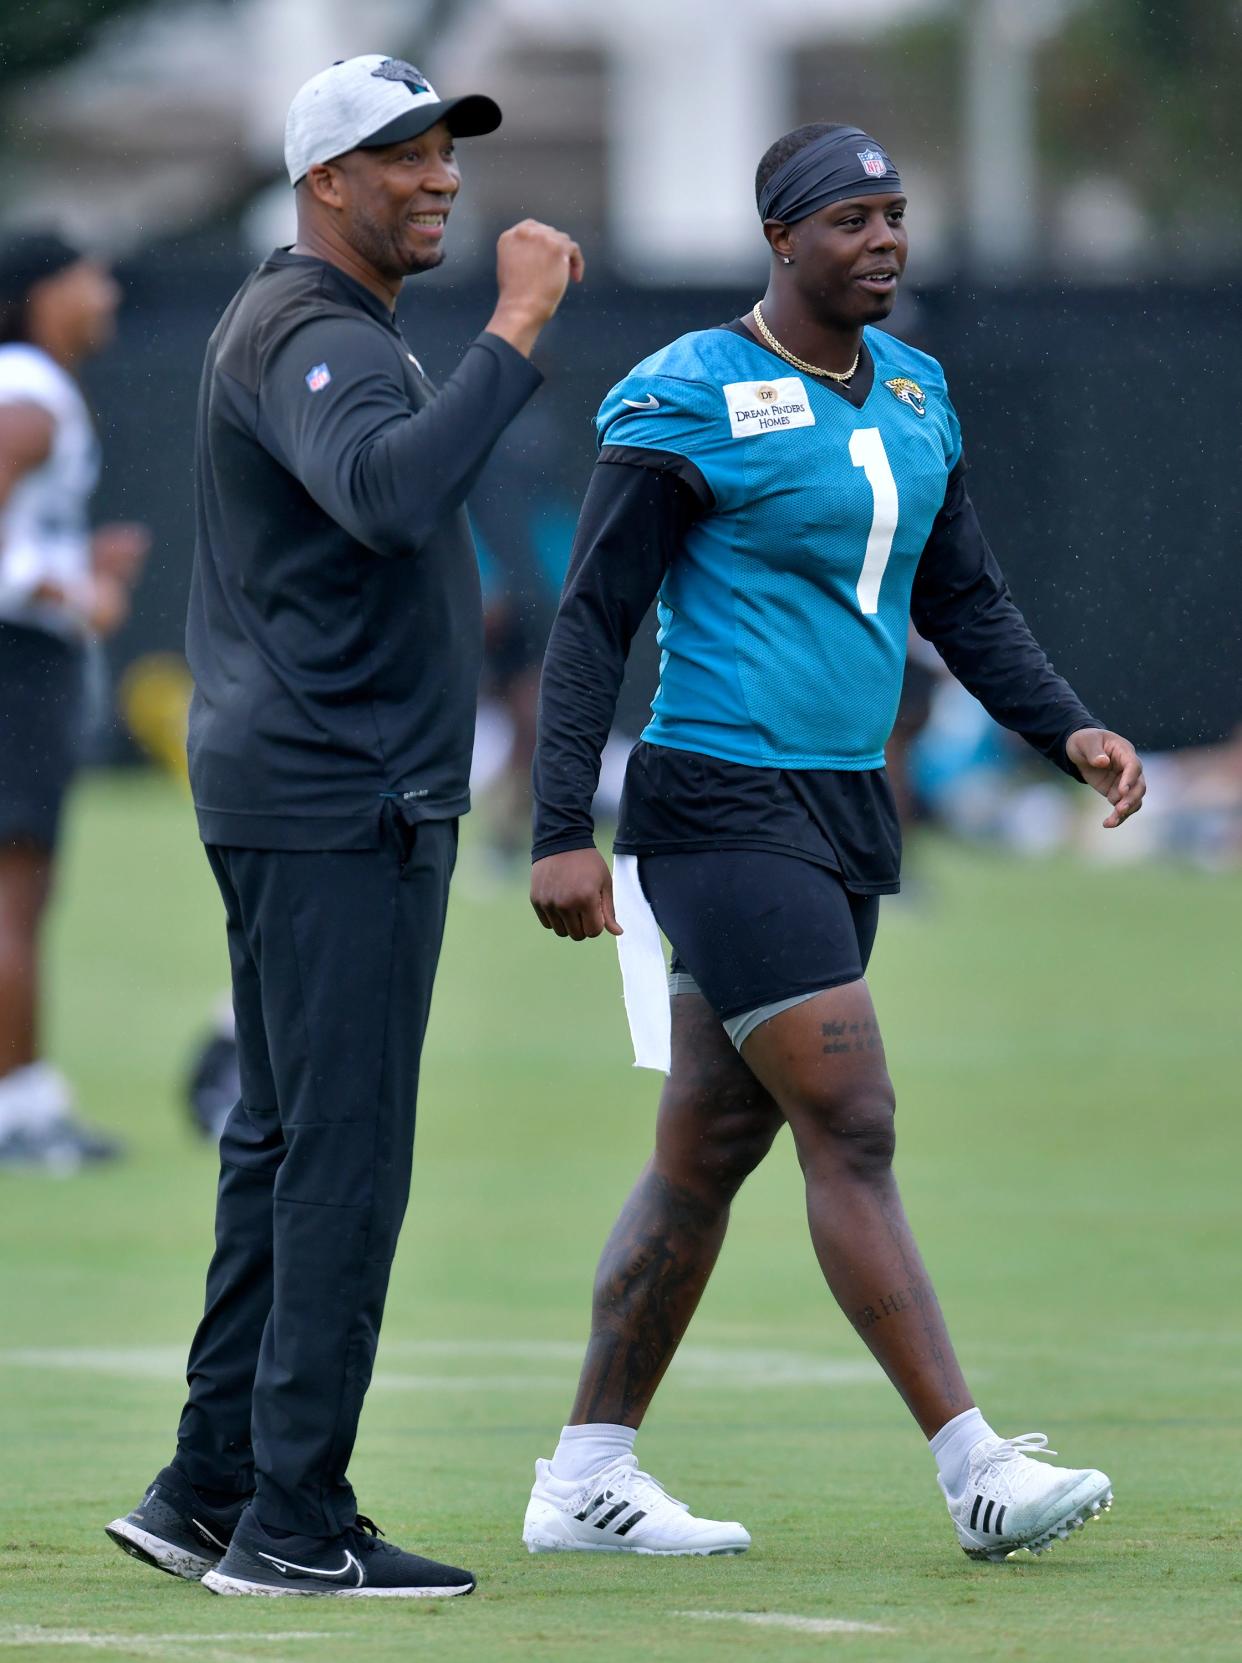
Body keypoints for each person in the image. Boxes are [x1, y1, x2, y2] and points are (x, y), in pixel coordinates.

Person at [524, 123, 1145, 1563]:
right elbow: (591, 618)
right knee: (850, 1124)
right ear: (781, 239)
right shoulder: (688, 391)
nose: (883, 239)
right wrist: (561, 826)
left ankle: (586, 1469)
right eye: (852, 217)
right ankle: (973, 1464)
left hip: (842, 809)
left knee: (707, 1146)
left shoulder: (919, 388)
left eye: (895, 214)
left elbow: (966, 599)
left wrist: (1068, 730)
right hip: (719, 802)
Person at [106, 54, 582, 1599]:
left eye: (447, 150)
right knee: (342, 1155)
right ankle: (295, 1520)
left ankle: (209, 1484)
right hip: (340, 792)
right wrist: (514, 332)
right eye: (403, 155)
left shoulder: (313, 321)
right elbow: (386, 494)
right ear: (326, 182)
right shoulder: (314, 329)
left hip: (297, 781)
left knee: (280, 1135)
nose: (440, 175)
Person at [0, 232, 149, 1171]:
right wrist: (77, 591)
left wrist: (76, 565)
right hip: (14, 662)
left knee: (26, 889)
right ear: (41, 293)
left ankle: (24, 1093)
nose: (105, 292)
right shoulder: (31, 394)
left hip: (25, 661)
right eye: (87, 275)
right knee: (14, 893)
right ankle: (21, 1109)